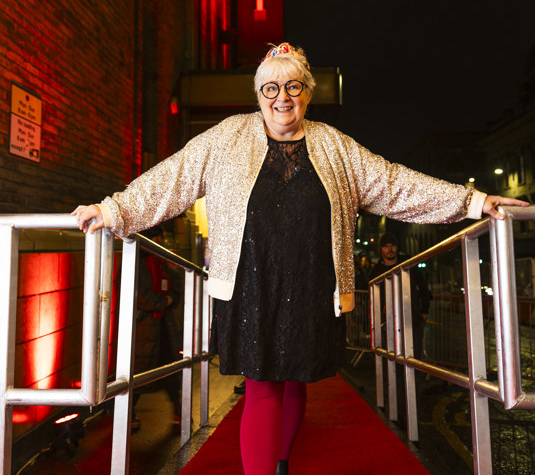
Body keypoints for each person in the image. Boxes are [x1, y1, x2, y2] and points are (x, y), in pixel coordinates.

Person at [72, 42, 528, 475]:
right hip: (249, 285)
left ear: (307, 93)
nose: (282, 98)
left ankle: (282, 461)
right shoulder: (227, 137)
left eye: (293, 86)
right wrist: (113, 210)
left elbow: (393, 184)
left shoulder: (335, 146)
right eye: (271, 88)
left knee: (295, 379)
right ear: (259, 94)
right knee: (263, 386)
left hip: (312, 284)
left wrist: (472, 202)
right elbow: (172, 178)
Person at [130, 225, 183, 430]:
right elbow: (139, 296)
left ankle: (179, 411)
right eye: (158, 238)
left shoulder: (161, 261)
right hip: (143, 328)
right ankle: (129, 414)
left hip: (162, 327)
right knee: (137, 373)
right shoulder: (136, 260)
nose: (161, 242)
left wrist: (169, 300)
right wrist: (164, 302)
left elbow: (175, 285)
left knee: (170, 370)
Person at [369, 231, 431, 360]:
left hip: (413, 318)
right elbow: (372, 297)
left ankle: (413, 379)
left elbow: (423, 286)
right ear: (381, 249)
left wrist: (425, 310)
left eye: (393, 245)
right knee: (393, 357)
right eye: (386, 246)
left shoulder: (408, 264)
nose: (390, 249)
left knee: (414, 357)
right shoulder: (376, 272)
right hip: (389, 321)